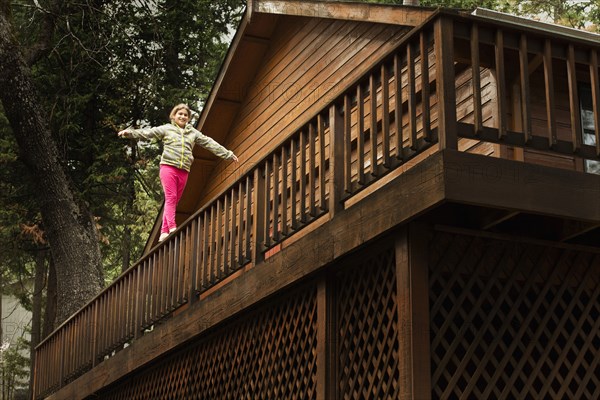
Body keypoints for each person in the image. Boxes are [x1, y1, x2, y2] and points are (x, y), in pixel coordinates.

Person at [118, 103, 239, 242]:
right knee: (171, 197)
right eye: (179, 114)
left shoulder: (193, 133)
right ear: (174, 116)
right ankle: (172, 227)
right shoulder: (167, 129)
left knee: (174, 201)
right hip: (168, 167)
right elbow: (148, 133)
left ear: (188, 118)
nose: (182, 116)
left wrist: (227, 154)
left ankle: (163, 231)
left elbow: (209, 142)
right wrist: (130, 133)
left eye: (185, 115)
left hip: (184, 171)